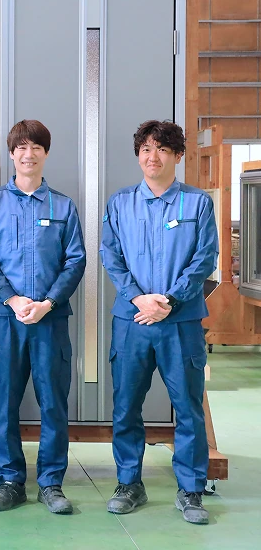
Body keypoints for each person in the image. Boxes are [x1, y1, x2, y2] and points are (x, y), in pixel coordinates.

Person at [100, 120, 218, 525]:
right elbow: (111, 255)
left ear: (178, 156)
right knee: (126, 406)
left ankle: (191, 489)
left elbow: (204, 258)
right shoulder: (120, 203)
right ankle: (129, 483)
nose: (154, 157)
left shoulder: (197, 204)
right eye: (146, 149)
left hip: (180, 321)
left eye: (163, 149)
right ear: (138, 156)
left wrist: (168, 300)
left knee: (188, 407)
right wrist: (139, 297)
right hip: (132, 319)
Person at [0, 120, 86, 514]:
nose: (28, 153)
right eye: (21, 147)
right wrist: (12, 299)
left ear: (45, 153)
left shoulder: (63, 206)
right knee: (4, 402)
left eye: (36, 146)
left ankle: (51, 483)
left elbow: (75, 260)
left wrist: (48, 303)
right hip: (6, 319)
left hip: (50, 319)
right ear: (11, 153)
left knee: (53, 401)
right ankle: (10, 481)